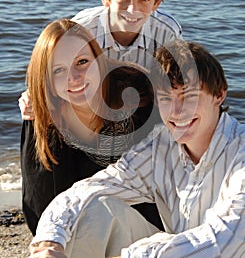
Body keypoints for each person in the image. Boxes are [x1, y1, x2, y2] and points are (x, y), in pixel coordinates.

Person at [29, 40, 245, 258]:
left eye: (189, 96)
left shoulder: (240, 152)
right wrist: (50, 242)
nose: (177, 111)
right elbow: (87, 189)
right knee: (95, 209)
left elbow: (226, 240)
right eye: (166, 98)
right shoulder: (160, 147)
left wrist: (133, 255)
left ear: (219, 95)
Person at [21, 18, 163, 236]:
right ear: (46, 79)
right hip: (86, 233)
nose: (74, 78)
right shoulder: (44, 118)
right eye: (59, 70)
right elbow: (39, 208)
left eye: (82, 62)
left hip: (152, 226)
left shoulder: (137, 92)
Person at [19, 0, 182, 120]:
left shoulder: (167, 31)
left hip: (143, 104)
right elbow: (47, 72)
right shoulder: (81, 30)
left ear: (156, 2)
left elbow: (178, 83)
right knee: (35, 111)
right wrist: (31, 97)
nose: (133, 9)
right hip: (92, 106)